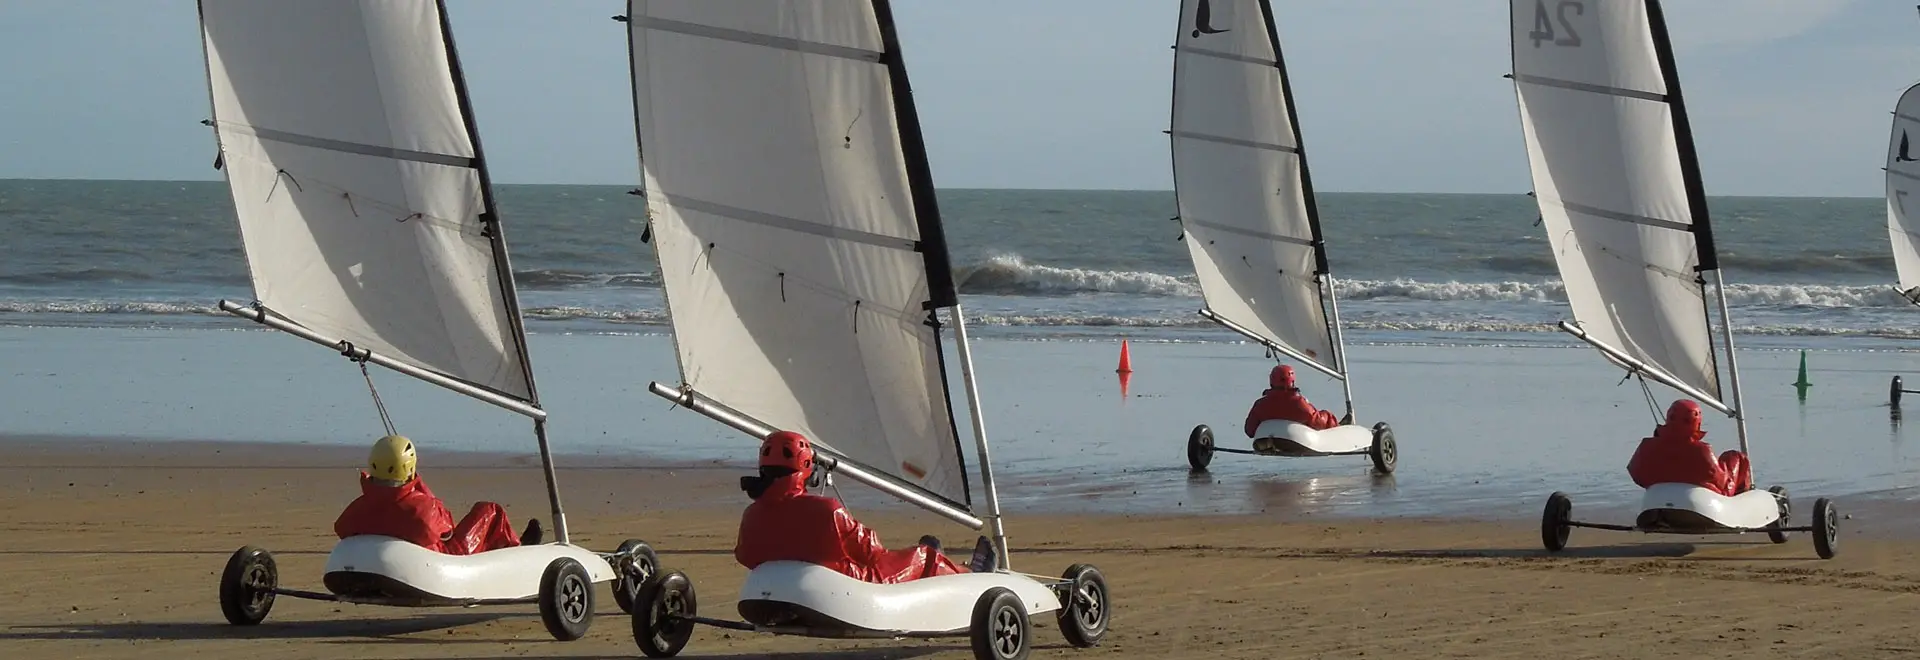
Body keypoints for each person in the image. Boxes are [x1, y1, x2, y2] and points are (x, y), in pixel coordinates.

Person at [734, 431, 994, 584]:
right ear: (805, 466)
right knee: (923, 557)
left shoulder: (752, 514)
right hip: (845, 587)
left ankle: (938, 558)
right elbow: (872, 553)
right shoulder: (827, 510)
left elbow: (745, 556)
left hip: (780, 589)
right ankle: (973, 575)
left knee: (923, 552)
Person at [333, 435, 541, 555]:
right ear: (409, 467)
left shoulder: (358, 507)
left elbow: (341, 528)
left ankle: (503, 548)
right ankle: (519, 551)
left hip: (395, 553)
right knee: (489, 510)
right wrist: (418, 486)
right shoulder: (421, 508)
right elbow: (447, 528)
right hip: (445, 559)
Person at [1627, 400, 1752, 496]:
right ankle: (1742, 501)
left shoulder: (1646, 446)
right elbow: (1723, 483)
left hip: (1657, 497)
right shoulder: (1702, 450)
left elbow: (1636, 474)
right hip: (1700, 501)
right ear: (1697, 422)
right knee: (1735, 456)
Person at [1243, 364, 1341, 438]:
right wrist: (1328, 417)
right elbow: (1319, 422)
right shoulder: (1299, 404)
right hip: (1295, 441)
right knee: (1324, 416)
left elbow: (1250, 430)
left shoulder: (1260, 404)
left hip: (1268, 442)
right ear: (1292, 381)